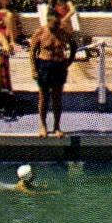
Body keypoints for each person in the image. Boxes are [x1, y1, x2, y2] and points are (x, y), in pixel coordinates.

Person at [29, 8, 73, 137]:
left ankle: (57, 126)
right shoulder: (40, 32)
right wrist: (33, 70)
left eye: (58, 23)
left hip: (59, 66)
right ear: (48, 21)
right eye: (54, 24)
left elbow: (74, 45)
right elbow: (32, 53)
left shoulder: (62, 32)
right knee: (44, 98)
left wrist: (69, 61)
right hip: (44, 66)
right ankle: (43, 126)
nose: (56, 26)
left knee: (57, 98)